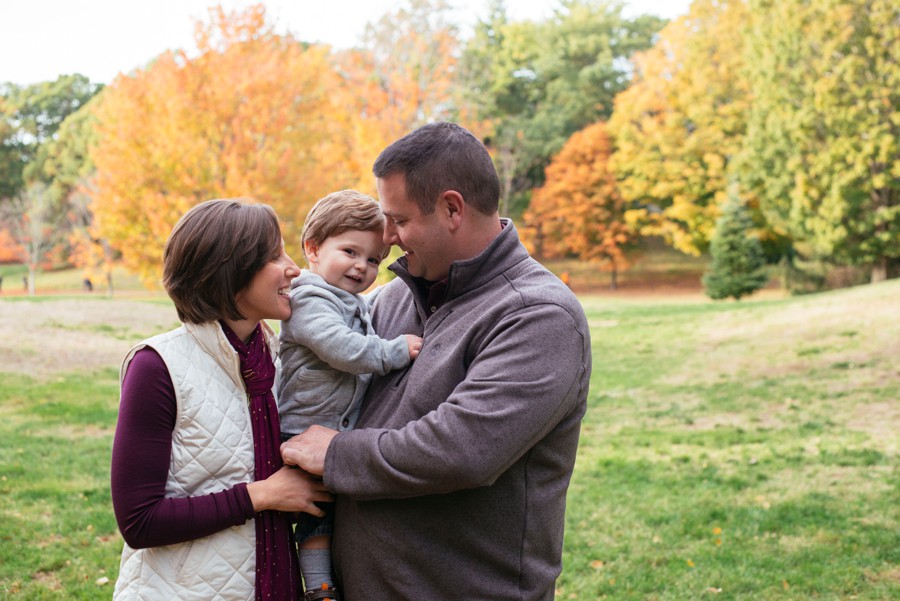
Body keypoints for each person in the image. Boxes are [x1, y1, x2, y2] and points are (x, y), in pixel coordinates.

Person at [282, 122, 592, 601]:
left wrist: (337, 453)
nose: (387, 237)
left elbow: (463, 449)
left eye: (399, 220)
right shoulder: (392, 299)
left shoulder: (538, 316)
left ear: (451, 209)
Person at [110, 198, 331, 601]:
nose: (294, 269)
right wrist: (262, 495)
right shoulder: (157, 366)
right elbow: (139, 521)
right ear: (231, 272)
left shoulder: (281, 362)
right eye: (274, 256)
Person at [277, 190, 423, 600]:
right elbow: (341, 349)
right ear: (312, 250)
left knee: (327, 514)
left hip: (329, 431)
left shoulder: (347, 299)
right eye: (350, 252)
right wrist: (395, 351)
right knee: (316, 516)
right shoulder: (309, 299)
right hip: (303, 430)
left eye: (373, 259)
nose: (362, 266)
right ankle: (318, 588)